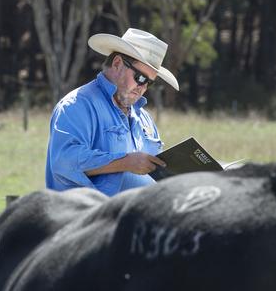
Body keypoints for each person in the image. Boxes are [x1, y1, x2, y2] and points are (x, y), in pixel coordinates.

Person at [45, 28, 180, 196]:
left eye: (149, 83)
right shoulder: (77, 105)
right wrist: (126, 162)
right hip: (90, 217)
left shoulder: (144, 118)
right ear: (117, 64)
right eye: (140, 78)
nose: (142, 88)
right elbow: (64, 161)